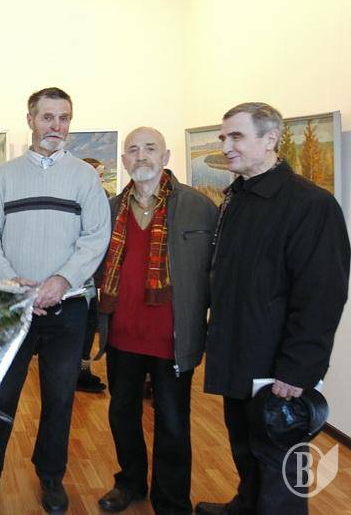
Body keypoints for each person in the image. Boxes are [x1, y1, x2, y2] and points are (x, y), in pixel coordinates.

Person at [0, 87, 111, 513]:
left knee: (59, 400)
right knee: (0, 397)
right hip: (14, 305)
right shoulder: (6, 176)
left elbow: (96, 236)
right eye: (47, 117)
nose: (56, 126)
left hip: (67, 308)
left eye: (64, 118)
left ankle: (51, 476)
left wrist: (61, 280)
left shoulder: (85, 177)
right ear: (31, 120)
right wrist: (12, 280)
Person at [195, 102, 350, 515]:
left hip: (277, 367)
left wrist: (297, 370)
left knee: (281, 467)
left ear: (270, 140)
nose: (225, 146)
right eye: (223, 137)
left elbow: (321, 297)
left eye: (236, 136)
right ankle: (247, 505)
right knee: (244, 447)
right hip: (237, 354)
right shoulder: (237, 198)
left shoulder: (311, 205)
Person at [95, 127, 217, 514]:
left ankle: (171, 500)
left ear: (165, 157)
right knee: (122, 415)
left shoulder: (199, 207)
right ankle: (130, 482)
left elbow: (215, 274)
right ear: (124, 160)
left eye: (150, 148)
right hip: (121, 336)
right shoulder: (110, 209)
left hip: (172, 340)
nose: (141, 155)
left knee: (174, 423)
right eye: (133, 150)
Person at [77, 157, 108, 393]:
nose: (102, 179)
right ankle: (79, 373)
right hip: (78, 280)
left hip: (89, 279)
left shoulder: (99, 199)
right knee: (85, 327)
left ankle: (83, 371)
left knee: (90, 325)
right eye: (99, 174)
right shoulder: (81, 199)